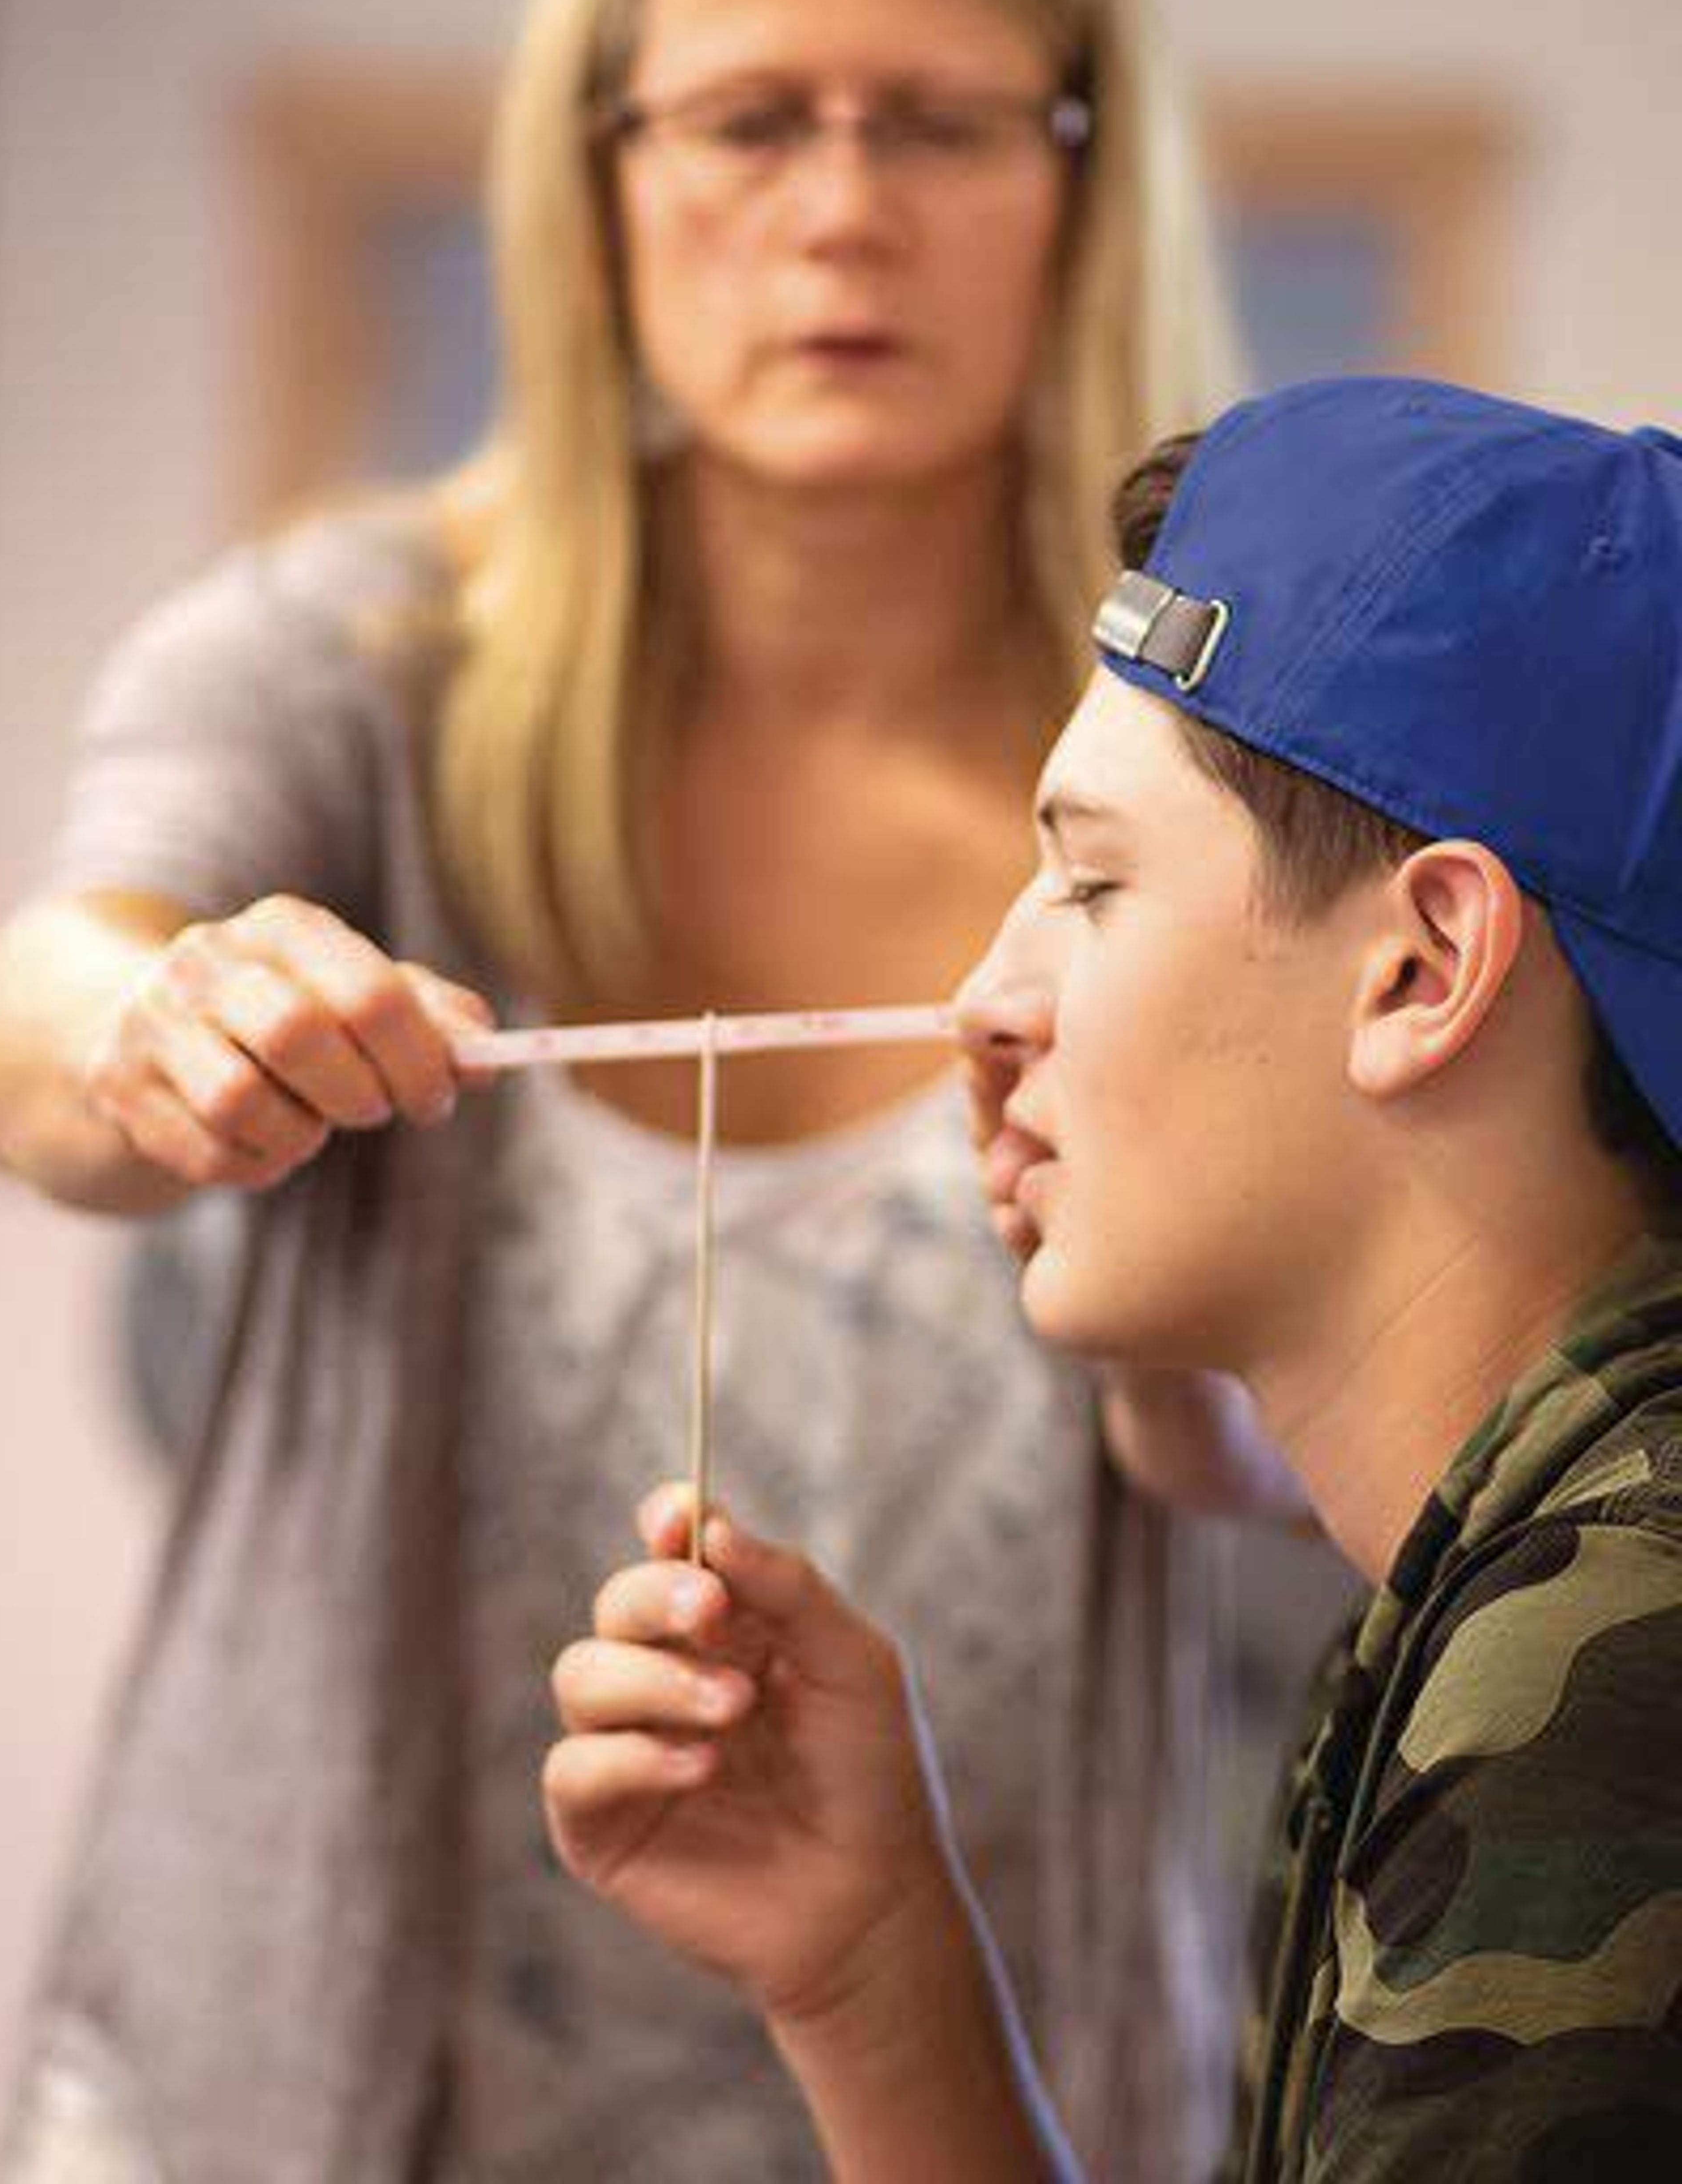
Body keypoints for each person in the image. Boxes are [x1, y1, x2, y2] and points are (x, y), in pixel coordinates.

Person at [0, 0, 1268, 2184]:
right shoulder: (346, 667)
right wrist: (156, 1028)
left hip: (994, 2107)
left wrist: (1189, 1368)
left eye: (941, 121)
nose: (839, 209)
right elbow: (41, 1005)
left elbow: (1340, 1439)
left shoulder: (1226, 760)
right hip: (299, 2099)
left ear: (1081, 172)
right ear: (600, 172)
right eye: (748, 121)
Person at [544, 375, 1682, 2180]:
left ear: (1425, 967)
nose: (980, 1011)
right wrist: (876, 1980)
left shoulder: (1618, 1653)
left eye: (1089, 887)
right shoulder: (1499, 1572)